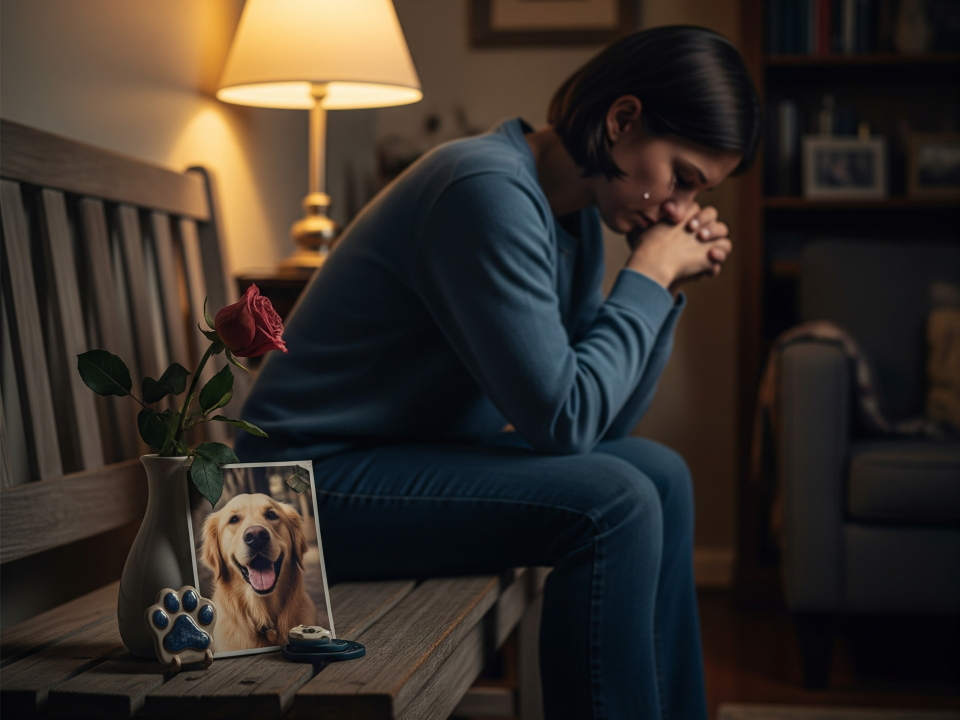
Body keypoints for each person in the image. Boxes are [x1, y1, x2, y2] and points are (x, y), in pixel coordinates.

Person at [236, 25, 760, 720]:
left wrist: (656, 291)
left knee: (661, 474)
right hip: (297, 490)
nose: (679, 211)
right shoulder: (483, 189)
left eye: (695, 196)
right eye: (683, 179)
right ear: (623, 119)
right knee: (616, 504)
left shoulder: (568, 217)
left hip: (392, 462)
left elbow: (604, 421)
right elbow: (565, 424)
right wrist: (649, 276)